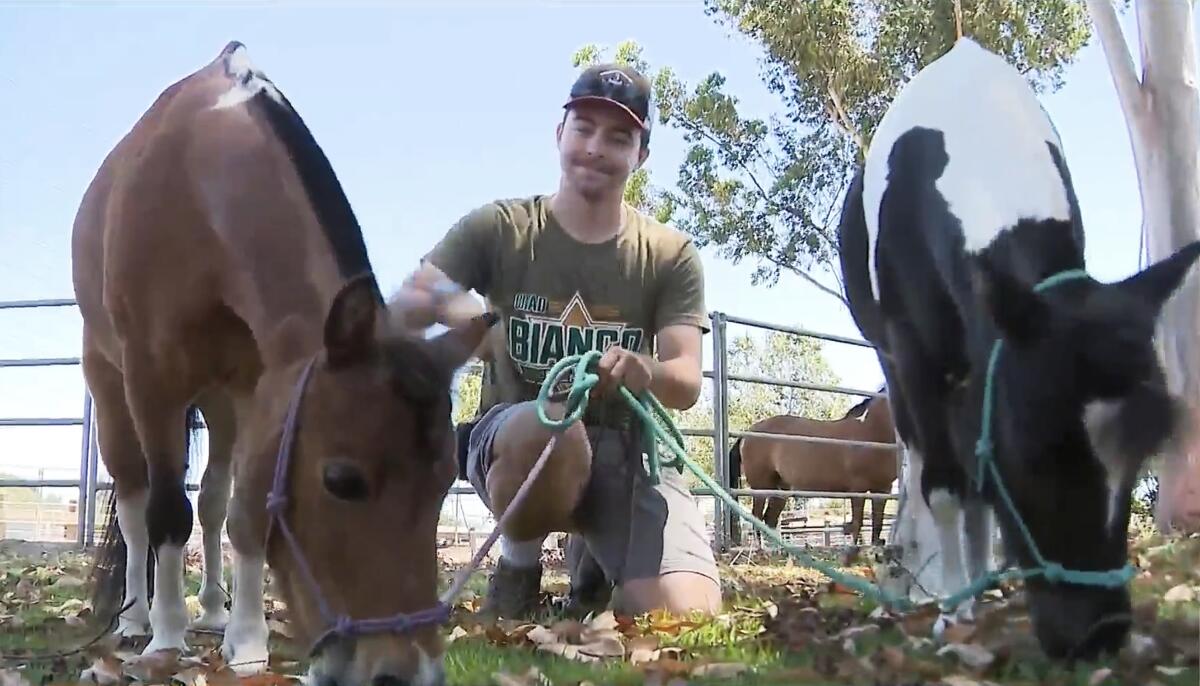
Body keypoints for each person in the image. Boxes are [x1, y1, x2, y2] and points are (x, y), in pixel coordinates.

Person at [392, 62, 722, 618]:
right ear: (559, 134)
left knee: (682, 612)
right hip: (518, 435)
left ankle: (593, 558)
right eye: (584, 129)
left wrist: (648, 371)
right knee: (554, 431)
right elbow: (411, 300)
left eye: (619, 137)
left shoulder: (670, 254)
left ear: (640, 156)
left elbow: (686, 380)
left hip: (625, 448)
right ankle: (518, 567)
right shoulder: (501, 228)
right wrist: (471, 319)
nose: (596, 147)